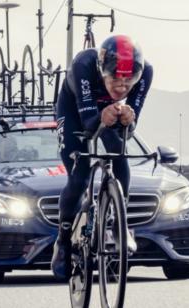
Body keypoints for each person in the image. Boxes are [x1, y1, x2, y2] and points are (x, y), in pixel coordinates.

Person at [51, 34, 153, 280]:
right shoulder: (84, 65)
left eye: (129, 81)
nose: (121, 87)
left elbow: (129, 130)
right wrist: (101, 116)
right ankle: (63, 241)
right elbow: (88, 124)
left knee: (120, 154)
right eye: (115, 79)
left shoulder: (146, 71)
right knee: (79, 176)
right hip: (75, 110)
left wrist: (129, 118)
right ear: (102, 70)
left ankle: (121, 226)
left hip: (108, 112)